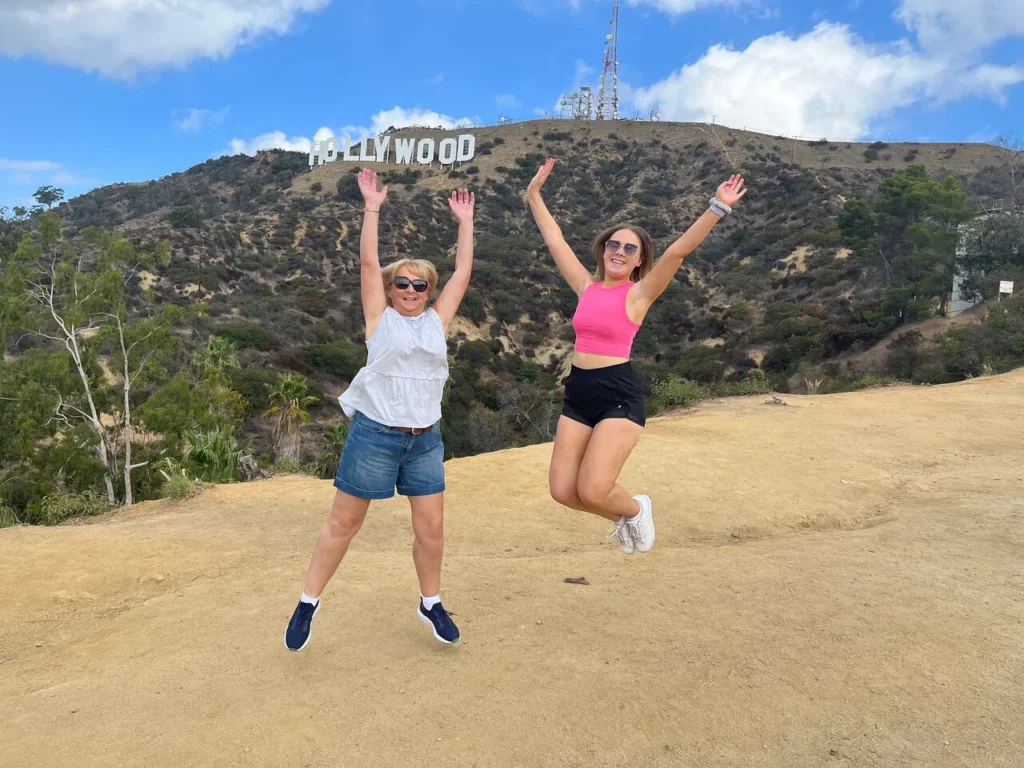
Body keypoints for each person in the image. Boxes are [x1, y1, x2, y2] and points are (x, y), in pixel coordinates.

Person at [285, 169, 475, 650]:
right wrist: (372, 207)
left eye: (420, 285)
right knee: (344, 524)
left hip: (425, 439)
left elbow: (463, 274)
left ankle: (430, 602)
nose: (411, 290)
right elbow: (369, 264)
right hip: (376, 436)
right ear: (391, 289)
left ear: (429, 291)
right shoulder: (380, 319)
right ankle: (308, 602)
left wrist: (465, 223)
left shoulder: (436, 322)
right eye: (403, 283)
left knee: (431, 529)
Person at [526, 157, 746, 554]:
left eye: (630, 248)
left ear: (639, 259)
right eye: (614, 244)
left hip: (618, 396)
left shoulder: (639, 294)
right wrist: (534, 194)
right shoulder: (586, 286)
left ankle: (636, 508)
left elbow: (677, 253)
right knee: (562, 491)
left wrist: (718, 207)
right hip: (579, 392)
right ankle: (620, 517)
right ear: (604, 249)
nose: (620, 251)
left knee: (593, 489)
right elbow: (555, 239)